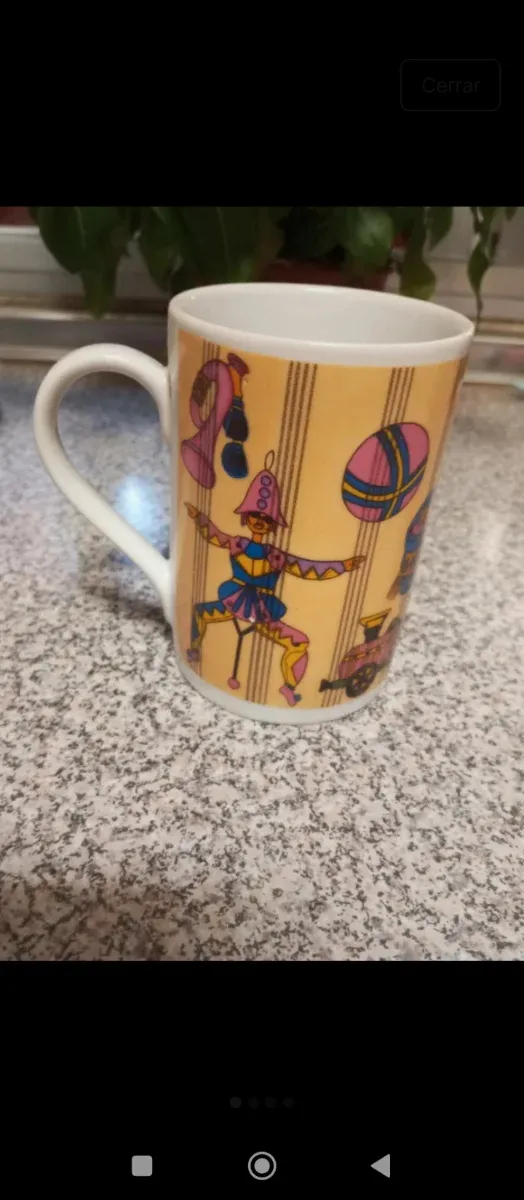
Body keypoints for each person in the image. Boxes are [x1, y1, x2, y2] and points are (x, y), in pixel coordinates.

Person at [185, 452, 365, 706]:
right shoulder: (237, 543)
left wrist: (342, 566)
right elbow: (214, 534)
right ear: (246, 517)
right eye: (255, 516)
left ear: (272, 524)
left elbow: (308, 568)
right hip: (234, 601)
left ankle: (288, 688)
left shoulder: (277, 556)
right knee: (200, 613)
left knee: (299, 642)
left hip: (264, 612)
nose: (259, 522)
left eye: (266, 519)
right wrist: (197, 517)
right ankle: (194, 651)